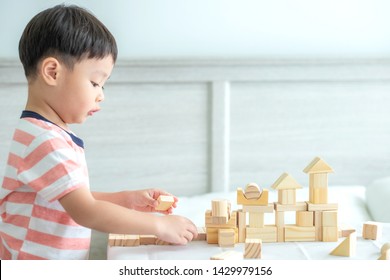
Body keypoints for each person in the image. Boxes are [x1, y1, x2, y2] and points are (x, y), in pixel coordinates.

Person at [0, 4, 197, 260]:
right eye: (94, 82)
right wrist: (158, 225)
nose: (101, 95)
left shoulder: (46, 133)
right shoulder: (45, 141)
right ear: (52, 72)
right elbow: (87, 211)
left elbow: (69, 198)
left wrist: (126, 199)